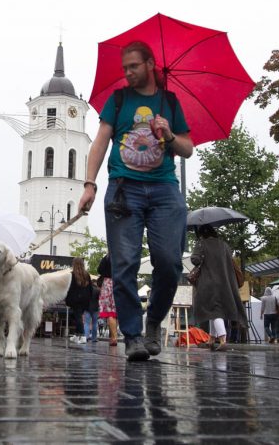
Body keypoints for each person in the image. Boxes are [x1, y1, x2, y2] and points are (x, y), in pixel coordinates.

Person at [78, 40, 193, 362]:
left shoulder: (169, 102)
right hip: (123, 190)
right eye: (125, 68)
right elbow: (101, 141)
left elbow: (187, 148)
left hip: (164, 190)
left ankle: (153, 321)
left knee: (170, 262)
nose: (127, 73)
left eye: (133, 66)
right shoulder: (118, 100)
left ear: (150, 64)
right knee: (124, 264)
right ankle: (132, 336)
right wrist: (89, 184)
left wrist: (169, 135)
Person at [190, 225, 246, 351]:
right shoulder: (224, 245)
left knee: (214, 310)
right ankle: (211, 338)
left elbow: (195, 260)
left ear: (202, 234)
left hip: (209, 283)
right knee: (216, 310)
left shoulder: (201, 244)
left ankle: (222, 339)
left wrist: (197, 250)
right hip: (225, 283)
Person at [66, 257, 93, 345]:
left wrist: (68, 299)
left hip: (75, 299)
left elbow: (70, 289)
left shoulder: (72, 275)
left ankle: (83, 336)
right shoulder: (87, 275)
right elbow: (90, 289)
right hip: (85, 299)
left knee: (78, 317)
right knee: (78, 316)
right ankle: (77, 335)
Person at [97, 254, 119, 347]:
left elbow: (99, 270)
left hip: (107, 284)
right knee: (116, 312)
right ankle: (114, 335)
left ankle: (114, 337)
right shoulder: (122, 255)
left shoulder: (107, 258)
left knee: (110, 313)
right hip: (119, 282)